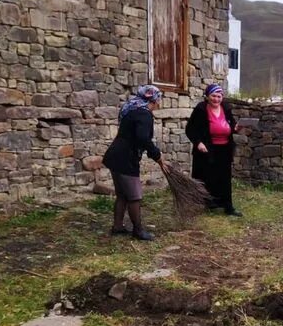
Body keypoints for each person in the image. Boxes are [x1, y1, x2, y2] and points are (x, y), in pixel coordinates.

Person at [102, 84, 169, 241]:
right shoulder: (144, 114)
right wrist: (157, 155)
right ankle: (138, 231)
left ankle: (118, 227)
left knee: (122, 195)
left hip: (115, 155)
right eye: (159, 99)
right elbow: (142, 138)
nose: (159, 103)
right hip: (125, 158)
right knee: (135, 196)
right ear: (155, 100)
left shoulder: (131, 109)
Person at [185, 83, 242, 216]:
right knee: (207, 177)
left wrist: (236, 128)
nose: (216, 99)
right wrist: (198, 142)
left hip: (225, 148)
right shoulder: (201, 109)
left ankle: (228, 206)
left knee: (224, 177)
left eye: (219, 96)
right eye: (213, 96)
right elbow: (190, 129)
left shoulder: (226, 108)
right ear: (207, 96)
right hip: (206, 149)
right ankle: (207, 203)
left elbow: (231, 124)